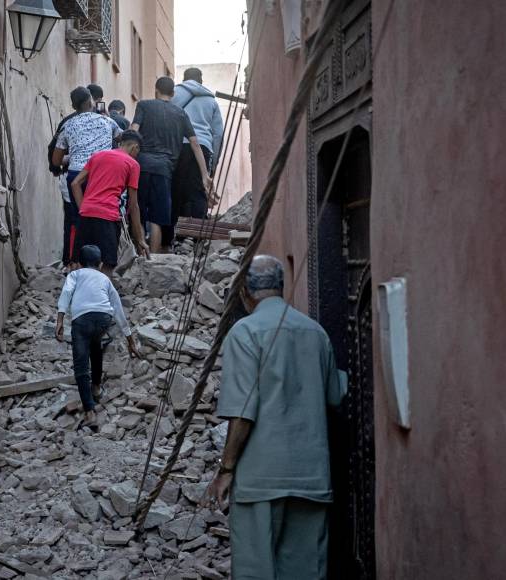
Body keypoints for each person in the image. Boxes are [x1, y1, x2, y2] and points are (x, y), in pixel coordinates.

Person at [208, 256, 346, 580]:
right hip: (312, 475)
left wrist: (226, 470)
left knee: (257, 569)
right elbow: (334, 397)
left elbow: (243, 412)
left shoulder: (245, 333)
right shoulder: (316, 333)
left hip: (260, 478)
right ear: (281, 289)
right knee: (305, 570)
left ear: (245, 292)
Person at [56, 245, 139, 426]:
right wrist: (130, 339)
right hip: (103, 317)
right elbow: (117, 308)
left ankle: (90, 411)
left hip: (82, 319)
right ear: (100, 264)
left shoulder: (74, 275)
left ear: (79, 264)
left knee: (80, 364)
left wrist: (60, 320)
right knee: (96, 345)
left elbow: (66, 294)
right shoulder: (104, 279)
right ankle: (96, 387)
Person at [130, 76, 214, 253]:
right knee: (157, 217)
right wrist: (205, 175)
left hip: (142, 166)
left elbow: (133, 132)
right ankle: (152, 258)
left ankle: (137, 255)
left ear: (156, 91)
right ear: (173, 94)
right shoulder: (181, 113)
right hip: (165, 169)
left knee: (137, 210)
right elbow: (195, 144)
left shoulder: (144, 105)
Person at [52, 86, 122, 266]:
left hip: (76, 175)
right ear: (91, 101)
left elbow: (56, 160)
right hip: (103, 175)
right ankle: (106, 262)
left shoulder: (68, 125)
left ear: (74, 106)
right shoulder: (107, 122)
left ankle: (75, 263)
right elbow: (123, 139)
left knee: (78, 220)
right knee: (105, 216)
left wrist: (72, 157)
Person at [69, 130, 149, 277]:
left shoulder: (98, 156)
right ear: (134, 147)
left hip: (86, 214)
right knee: (108, 263)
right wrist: (140, 239)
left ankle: (78, 293)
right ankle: (101, 294)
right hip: (108, 217)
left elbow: (75, 183)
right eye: (138, 152)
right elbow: (133, 205)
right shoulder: (132, 164)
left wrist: (83, 208)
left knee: (80, 261)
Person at [164, 67, 225, 247]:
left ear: (184, 79)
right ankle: (197, 238)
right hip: (203, 147)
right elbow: (218, 134)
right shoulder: (211, 101)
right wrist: (214, 160)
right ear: (201, 80)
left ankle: (174, 236)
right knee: (198, 191)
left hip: (177, 146)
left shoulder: (174, 94)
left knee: (176, 190)